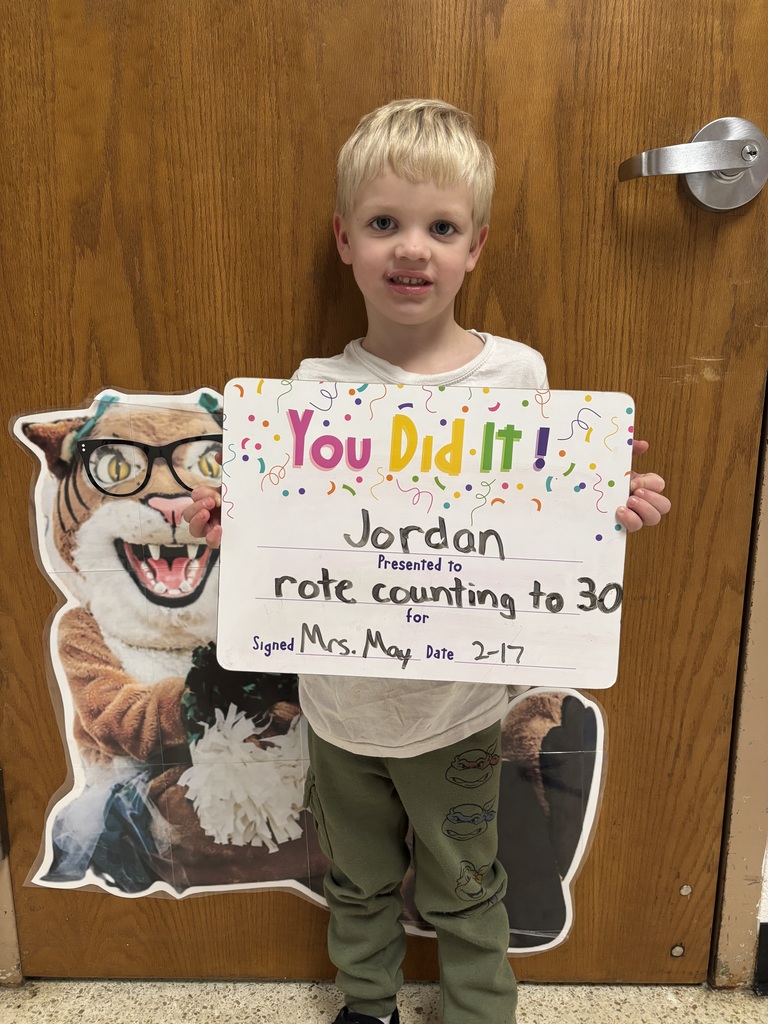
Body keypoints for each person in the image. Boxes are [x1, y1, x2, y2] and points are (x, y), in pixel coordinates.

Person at [183, 99, 671, 1024]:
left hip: (456, 713)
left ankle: (478, 1010)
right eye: (384, 224)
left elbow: (547, 521)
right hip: (339, 708)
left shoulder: (518, 378)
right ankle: (365, 1003)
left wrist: (611, 508)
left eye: (440, 228)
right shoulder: (312, 394)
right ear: (344, 239)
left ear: (475, 247)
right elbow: (290, 535)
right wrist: (229, 524)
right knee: (356, 876)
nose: (413, 249)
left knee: (465, 879)